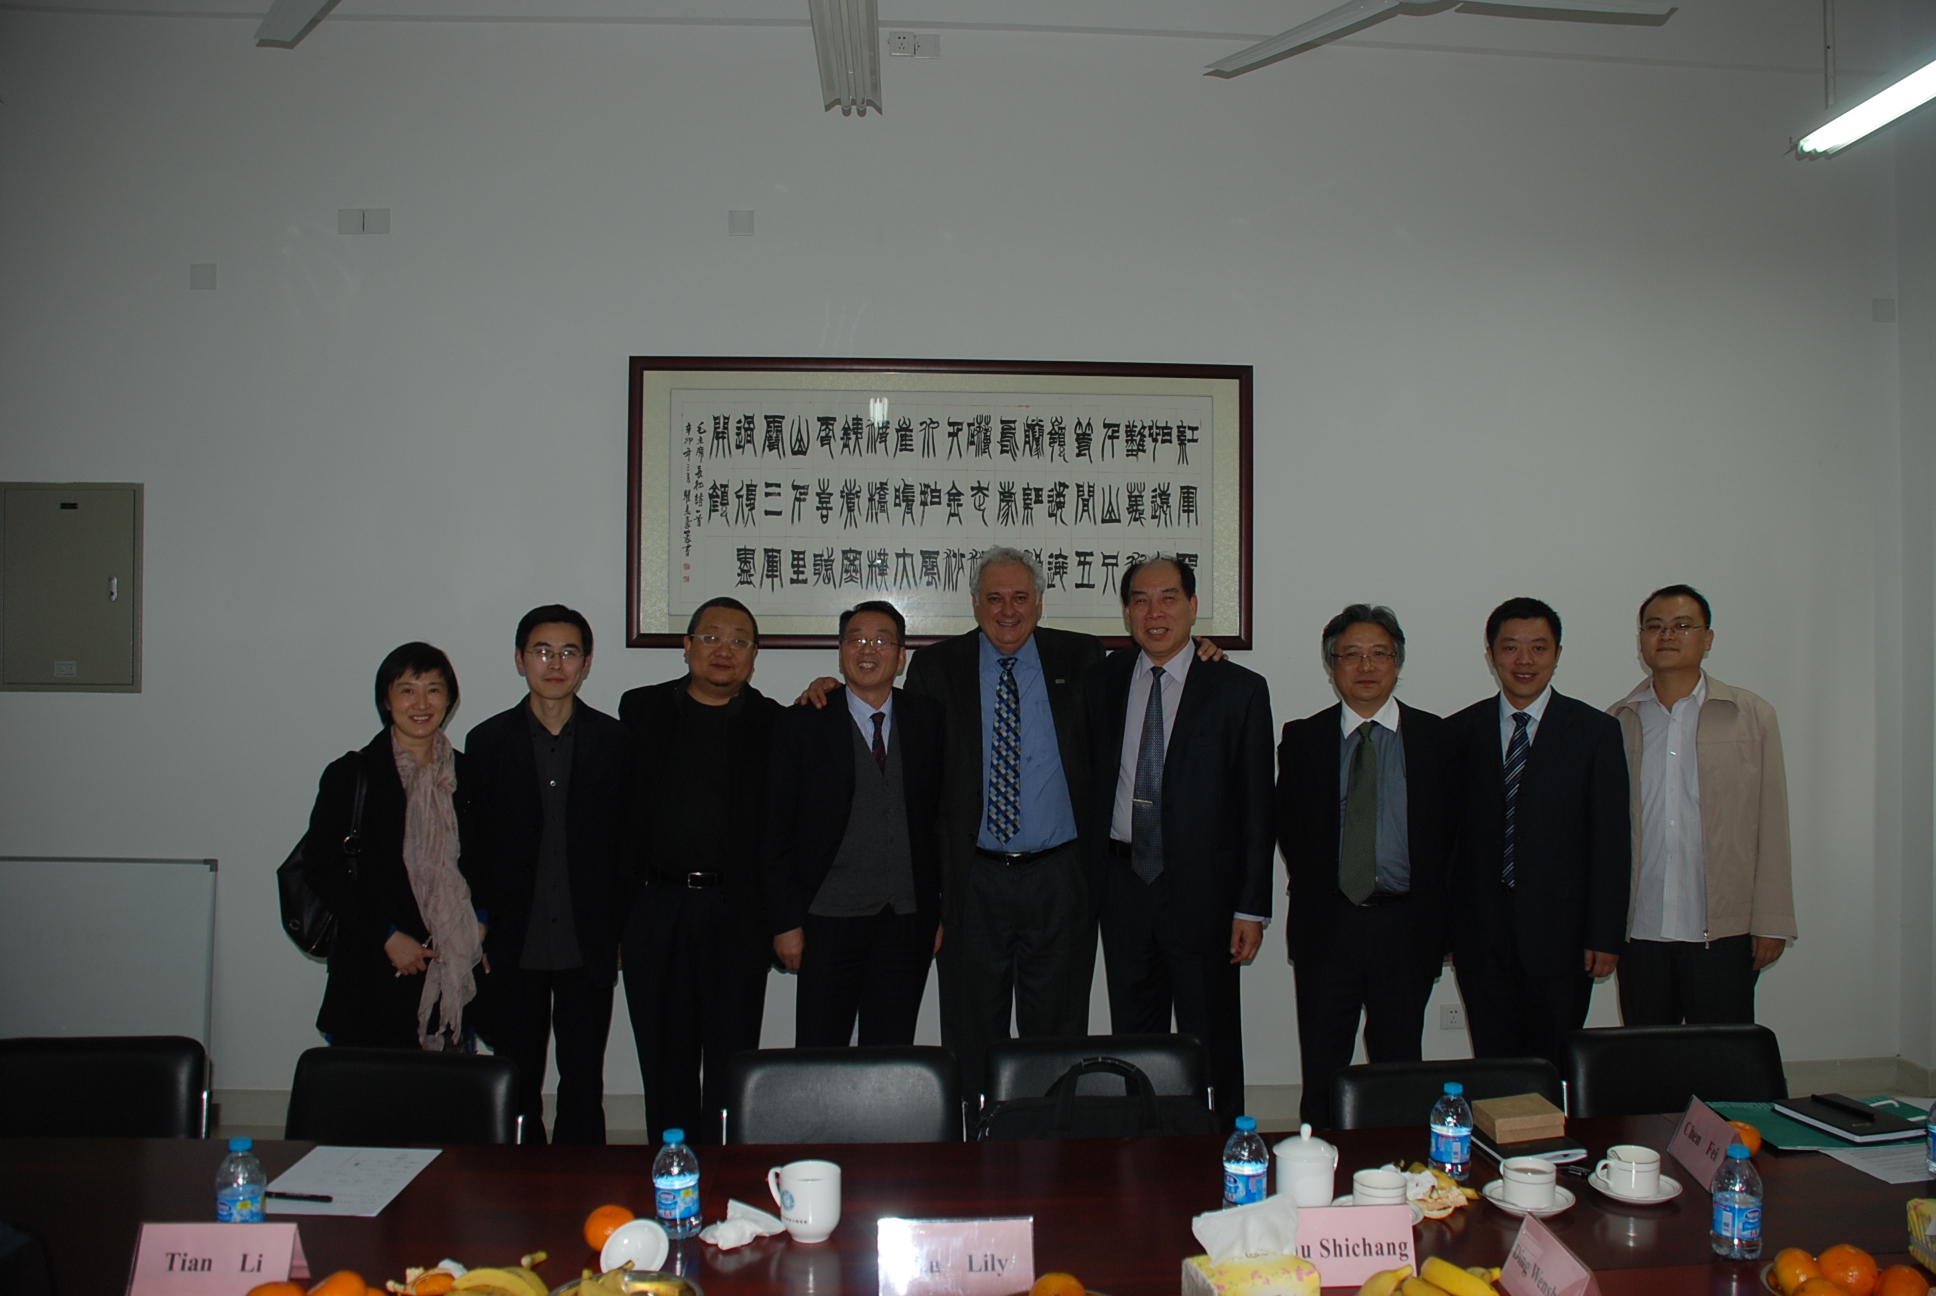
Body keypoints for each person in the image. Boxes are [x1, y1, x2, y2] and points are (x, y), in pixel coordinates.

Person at [1083, 557, 1273, 1126]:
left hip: (1205, 891)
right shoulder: (1103, 680)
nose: (1155, 612)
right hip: (1123, 885)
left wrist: (1251, 907)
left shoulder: (1238, 689)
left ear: (1192, 607)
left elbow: (1258, 805)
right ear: (1126, 612)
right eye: (1141, 600)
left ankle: (1220, 1148)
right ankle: (1143, 1150)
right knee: (1135, 1038)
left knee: (1210, 1036)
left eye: (1169, 598)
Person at [1275, 604, 1460, 1130]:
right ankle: (1317, 1160)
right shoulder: (1303, 738)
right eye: (1351, 655)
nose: (1366, 666)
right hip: (1328, 924)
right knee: (1322, 1066)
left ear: (1397, 663)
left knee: (1399, 1066)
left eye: (1379, 654)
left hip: (1406, 925)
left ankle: (1397, 1163)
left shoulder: (1436, 738)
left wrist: (1446, 925)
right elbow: (1290, 828)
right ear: (1331, 665)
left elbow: (1450, 839)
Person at [464, 605, 633, 1144]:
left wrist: (622, 930)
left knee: (583, 1079)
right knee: (515, 1079)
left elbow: (628, 845)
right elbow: (474, 848)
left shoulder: (615, 741)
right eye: (542, 651)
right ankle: (517, 1179)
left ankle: (581, 1178)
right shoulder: (486, 742)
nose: (554, 664)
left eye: (567, 652)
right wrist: (478, 927)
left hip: (589, 937)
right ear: (520, 660)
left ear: (586, 663)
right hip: (513, 938)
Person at [618, 596, 783, 1144]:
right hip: (656, 908)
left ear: (754, 656)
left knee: (732, 1062)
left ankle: (724, 1170)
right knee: (664, 1059)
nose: (724, 650)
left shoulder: (772, 723)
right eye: (711, 637)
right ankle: (671, 1172)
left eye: (739, 641)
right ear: (686, 646)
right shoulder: (641, 710)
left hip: (736, 913)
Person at [1447, 598, 1630, 1069]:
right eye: (1510, 647)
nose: (1524, 660)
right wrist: (1442, 929)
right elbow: (1446, 841)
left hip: (1564, 937)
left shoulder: (1596, 732)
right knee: (1494, 1063)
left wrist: (1606, 933)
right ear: (1491, 654)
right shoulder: (1457, 732)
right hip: (1479, 933)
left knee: (1554, 1063)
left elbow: (1611, 841)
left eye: (1538, 648)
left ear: (1557, 654)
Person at [1608, 584, 1796, 1025]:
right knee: (1647, 1054)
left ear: (1707, 638)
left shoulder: (1750, 715)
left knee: (1720, 1054)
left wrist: (1772, 920)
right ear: (1641, 639)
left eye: (1682, 625)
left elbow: (1771, 822)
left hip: (1724, 929)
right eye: (1654, 626)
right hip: (1640, 929)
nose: (1667, 635)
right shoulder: (1617, 721)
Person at [764, 600, 946, 1048]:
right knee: (819, 1054)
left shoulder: (929, 720)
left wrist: (938, 912)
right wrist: (785, 922)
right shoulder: (802, 722)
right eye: (856, 639)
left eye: (882, 640)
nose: (868, 649)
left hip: (906, 921)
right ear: (840, 652)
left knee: (891, 1053)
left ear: (901, 658)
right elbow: (775, 829)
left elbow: (940, 822)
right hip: (826, 921)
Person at [300, 642, 485, 1050]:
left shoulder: (468, 775)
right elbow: (322, 868)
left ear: (449, 698)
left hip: (449, 965)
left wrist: (479, 925)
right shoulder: (352, 774)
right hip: (372, 968)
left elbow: (484, 861)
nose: (421, 703)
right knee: (371, 1087)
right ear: (386, 700)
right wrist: (386, 936)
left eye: (433, 690)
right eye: (407, 690)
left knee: (445, 1088)